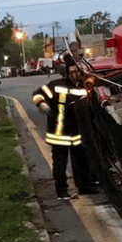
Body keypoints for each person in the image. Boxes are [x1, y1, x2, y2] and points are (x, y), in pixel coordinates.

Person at [32, 53, 94, 200]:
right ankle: (61, 191)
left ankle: (84, 187)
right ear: (66, 73)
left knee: (82, 162)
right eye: (71, 72)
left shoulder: (84, 86)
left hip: (77, 133)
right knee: (60, 163)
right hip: (59, 134)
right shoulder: (56, 85)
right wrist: (42, 104)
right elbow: (38, 94)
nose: (74, 75)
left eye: (77, 71)